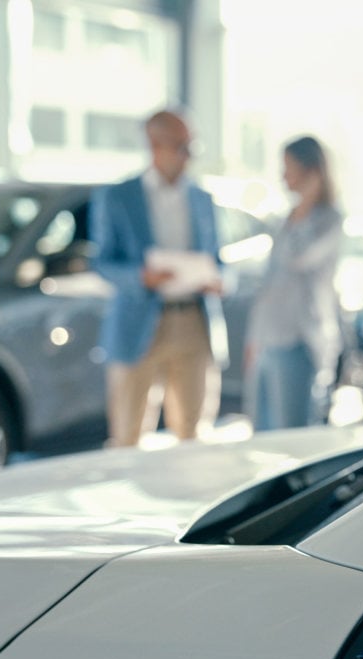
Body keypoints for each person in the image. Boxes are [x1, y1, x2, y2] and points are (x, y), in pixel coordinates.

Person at [90, 109, 227, 448]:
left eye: (192, 147)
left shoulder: (202, 198)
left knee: (193, 433)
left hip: (194, 320)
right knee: (127, 434)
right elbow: (102, 262)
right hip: (138, 322)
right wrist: (140, 277)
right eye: (181, 147)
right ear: (155, 145)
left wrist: (218, 279)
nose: (188, 157)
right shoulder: (118, 196)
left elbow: (218, 260)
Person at [246, 135, 345, 431]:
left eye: (288, 167)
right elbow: (269, 284)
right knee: (261, 431)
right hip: (267, 340)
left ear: (310, 171)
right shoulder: (287, 217)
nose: (283, 175)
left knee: (292, 433)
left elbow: (298, 257)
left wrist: (306, 204)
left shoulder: (328, 219)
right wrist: (254, 337)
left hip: (299, 341)